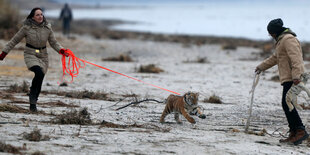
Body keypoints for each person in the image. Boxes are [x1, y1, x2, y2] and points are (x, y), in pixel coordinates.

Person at [0, 7, 69, 112]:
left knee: (40, 77)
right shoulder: (26, 28)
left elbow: (54, 43)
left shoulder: (47, 28)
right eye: (37, 15)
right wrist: (4, 53)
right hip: (30, 54)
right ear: (33, 17)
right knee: (39, 72)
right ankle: (32, 99)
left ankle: (34, 102)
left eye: (41, 14)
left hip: (43, 55)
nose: (40, 16)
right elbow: (14, 40)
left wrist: (62, 50)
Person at [255, 18, 309, 145]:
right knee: (286, 104)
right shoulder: (281, 41)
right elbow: (275, 58)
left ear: (274, 32)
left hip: (294, 77)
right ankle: (294, 132)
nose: (270, 35)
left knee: (287, 104)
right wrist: (261, 67)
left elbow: (296, 58)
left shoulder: (288, 39)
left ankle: (300, 131)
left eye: (270, 33)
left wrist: (296, 76)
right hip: (288, 77)